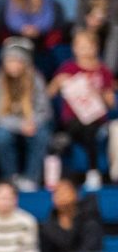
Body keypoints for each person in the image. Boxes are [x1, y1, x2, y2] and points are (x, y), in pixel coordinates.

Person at [47, 30, 115, 191]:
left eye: (88, 46)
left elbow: (111, 103)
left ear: (96, 48)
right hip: (72, 121)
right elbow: (49, 93)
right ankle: (92, 172)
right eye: (81, 46)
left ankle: (91, 173)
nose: (84, 50)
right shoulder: (68, 68)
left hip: (97, 120)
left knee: (90, 127)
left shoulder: (103, 71)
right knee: (81, 127)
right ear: (74, 48)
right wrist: (58, 81)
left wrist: (98, 92)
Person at [0, 37, 53, 191]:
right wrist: (20, 125)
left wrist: (33, 123)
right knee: (1, 136)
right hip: (9, 123)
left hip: (32, 122)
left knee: (41, 135)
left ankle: (32, 178)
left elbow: (45, 110)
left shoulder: (36, 79)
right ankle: (10, 177)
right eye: (10, 60)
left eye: (17, 61)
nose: (14, 65)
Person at [40, 177, 104, 252]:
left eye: (65, 191)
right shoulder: (47, 229)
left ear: (76, 194)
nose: (60, 195)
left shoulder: (89, 222)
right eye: (56, 192)